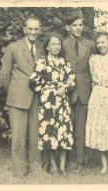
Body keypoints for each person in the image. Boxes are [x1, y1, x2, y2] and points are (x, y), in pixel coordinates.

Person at [0, 16, 44, 176]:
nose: (33, 32)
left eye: (36, 29)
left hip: (36, 99)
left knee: (35, 136)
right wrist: (15, 92)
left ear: (39, 30)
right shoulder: (13, 47)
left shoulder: (41, 49)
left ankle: (36, 168)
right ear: (24, 29)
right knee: (18, 138)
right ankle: (19, 171)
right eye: (30, 29)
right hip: (18, 99)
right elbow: (4, 77)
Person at [29, 32, 76, 175]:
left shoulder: (64, 62)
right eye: (53, 44)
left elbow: (72, 79)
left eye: (58, 44)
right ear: (48, 46)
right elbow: (33, 81)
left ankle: (62, 167)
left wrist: (65, 87)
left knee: (63, 133)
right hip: (48, 104)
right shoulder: (42, 62)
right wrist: (46, 89)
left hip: (62, 103)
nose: (56, 47)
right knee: (50, 133)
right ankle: (54, 167)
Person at [85, 31, 108, 174]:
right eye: (98, 42)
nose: (101, 45)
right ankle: (104, 164)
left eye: (103, 42)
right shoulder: (93, 59)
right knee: (100, 128)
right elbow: (92, 78)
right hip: (97, 95)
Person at [63, 11, 94, 171]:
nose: (78, 28)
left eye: (80, 25)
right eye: (74, 25)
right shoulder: (62, 44)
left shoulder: (90, 44)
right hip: (67, 92)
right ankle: (70, 161)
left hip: (84, 91)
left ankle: (81, 162)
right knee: (68, 127)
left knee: (81, 129)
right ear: (68, 27)